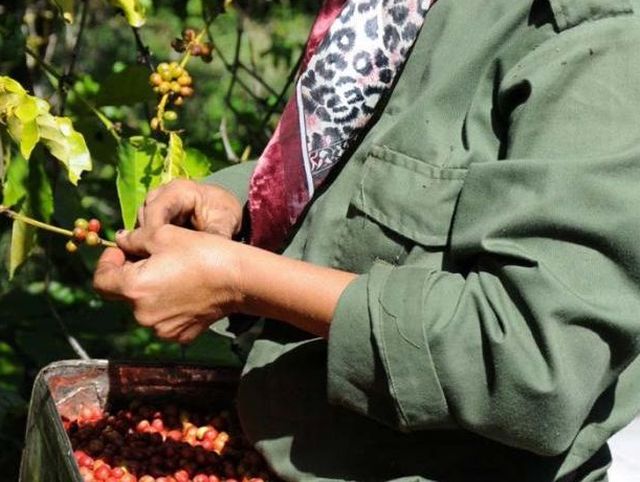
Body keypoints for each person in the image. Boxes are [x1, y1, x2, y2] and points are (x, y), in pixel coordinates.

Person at [93, 0, 640, 480]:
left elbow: (534, 364)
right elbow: (389, 167)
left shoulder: (596, 37)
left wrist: (239, 279)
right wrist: (245, 204)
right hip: (294, 441)